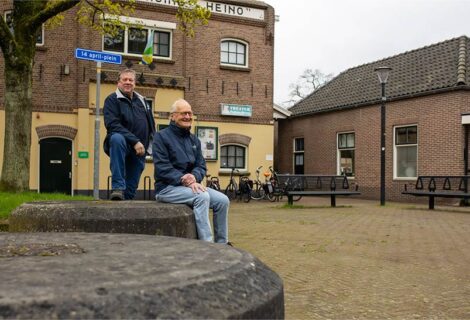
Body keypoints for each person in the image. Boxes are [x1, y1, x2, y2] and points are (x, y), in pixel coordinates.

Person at [152, 99, 230, 244]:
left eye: (190, 113)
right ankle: (206, 244)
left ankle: (222, 245)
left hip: (191, 186)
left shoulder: (194, 140)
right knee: (202, 197)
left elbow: (201, 165)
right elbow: (162, 167)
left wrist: (193, 176)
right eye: (183, 113)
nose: (187, 117)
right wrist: (184, 178)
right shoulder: (161, 137)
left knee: (223, 201)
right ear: (173, 116)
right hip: (167, 188)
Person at [103, 69, 156, 200]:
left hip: (140, 151)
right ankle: (118, 187)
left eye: (130, 80)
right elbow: (113, 125)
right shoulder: (112, 100)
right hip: (123, 146)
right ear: (118, 83)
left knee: (130, 191)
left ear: (135, 83)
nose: (128, 82)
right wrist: (135, 141)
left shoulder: (142, 100)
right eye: (124, 79)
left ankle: (123, 210)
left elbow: (150, 123)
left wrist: (151, 144)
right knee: (116, 138)